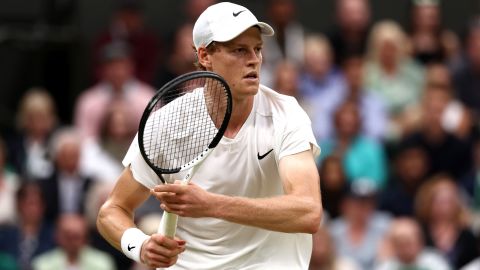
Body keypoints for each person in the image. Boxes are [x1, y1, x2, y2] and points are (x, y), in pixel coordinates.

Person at [97, 2, 321, 269]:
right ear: (205, 56)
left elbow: (308, 212)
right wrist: (141, 246)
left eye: (258, 49)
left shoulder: (287, 115)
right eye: (239, 50)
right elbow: (112, 210)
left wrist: (212, 205)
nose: (254, 59)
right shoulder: (166, 122)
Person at [32, 214, 115, 270]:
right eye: (68, 236)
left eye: (76, 237)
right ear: (57, 237)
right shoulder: (42, 265)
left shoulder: (103, 263)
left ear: (85, 238)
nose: (72, 241)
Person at [375, 218, 450, 270]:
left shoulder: (434, 261)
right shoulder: (387, 266)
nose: (405, 248)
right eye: (400, 243)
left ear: (420, 242)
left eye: (408, 243)